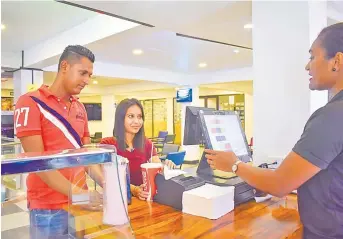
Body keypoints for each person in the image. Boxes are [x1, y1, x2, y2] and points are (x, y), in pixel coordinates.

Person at [205, 22, 343, 239]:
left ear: (336, 61)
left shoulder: (333, 116)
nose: (307, 67)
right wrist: (262, 179)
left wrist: (234, 164)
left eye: (312, 57)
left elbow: (280, 184)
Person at [15, 45, 104, 238]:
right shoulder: (29, 102)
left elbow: (87, 157)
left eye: (89, 75)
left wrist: (108, 183)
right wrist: (80, 195)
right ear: (64, 66)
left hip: (80, 204)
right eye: (83, 73)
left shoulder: (80, 107)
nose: (87, 80)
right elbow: (39, 164)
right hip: (48, 208)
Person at [101, 98, 176, 201]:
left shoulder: (147, 143)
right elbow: (107, 177)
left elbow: (157, 164)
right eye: (131, 116)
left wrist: (165, 166)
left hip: (143, 199)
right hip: (118, 200)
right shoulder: (107, 145)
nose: (136, 121)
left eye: (139, 117)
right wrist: (133, 189)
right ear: (120, 118)